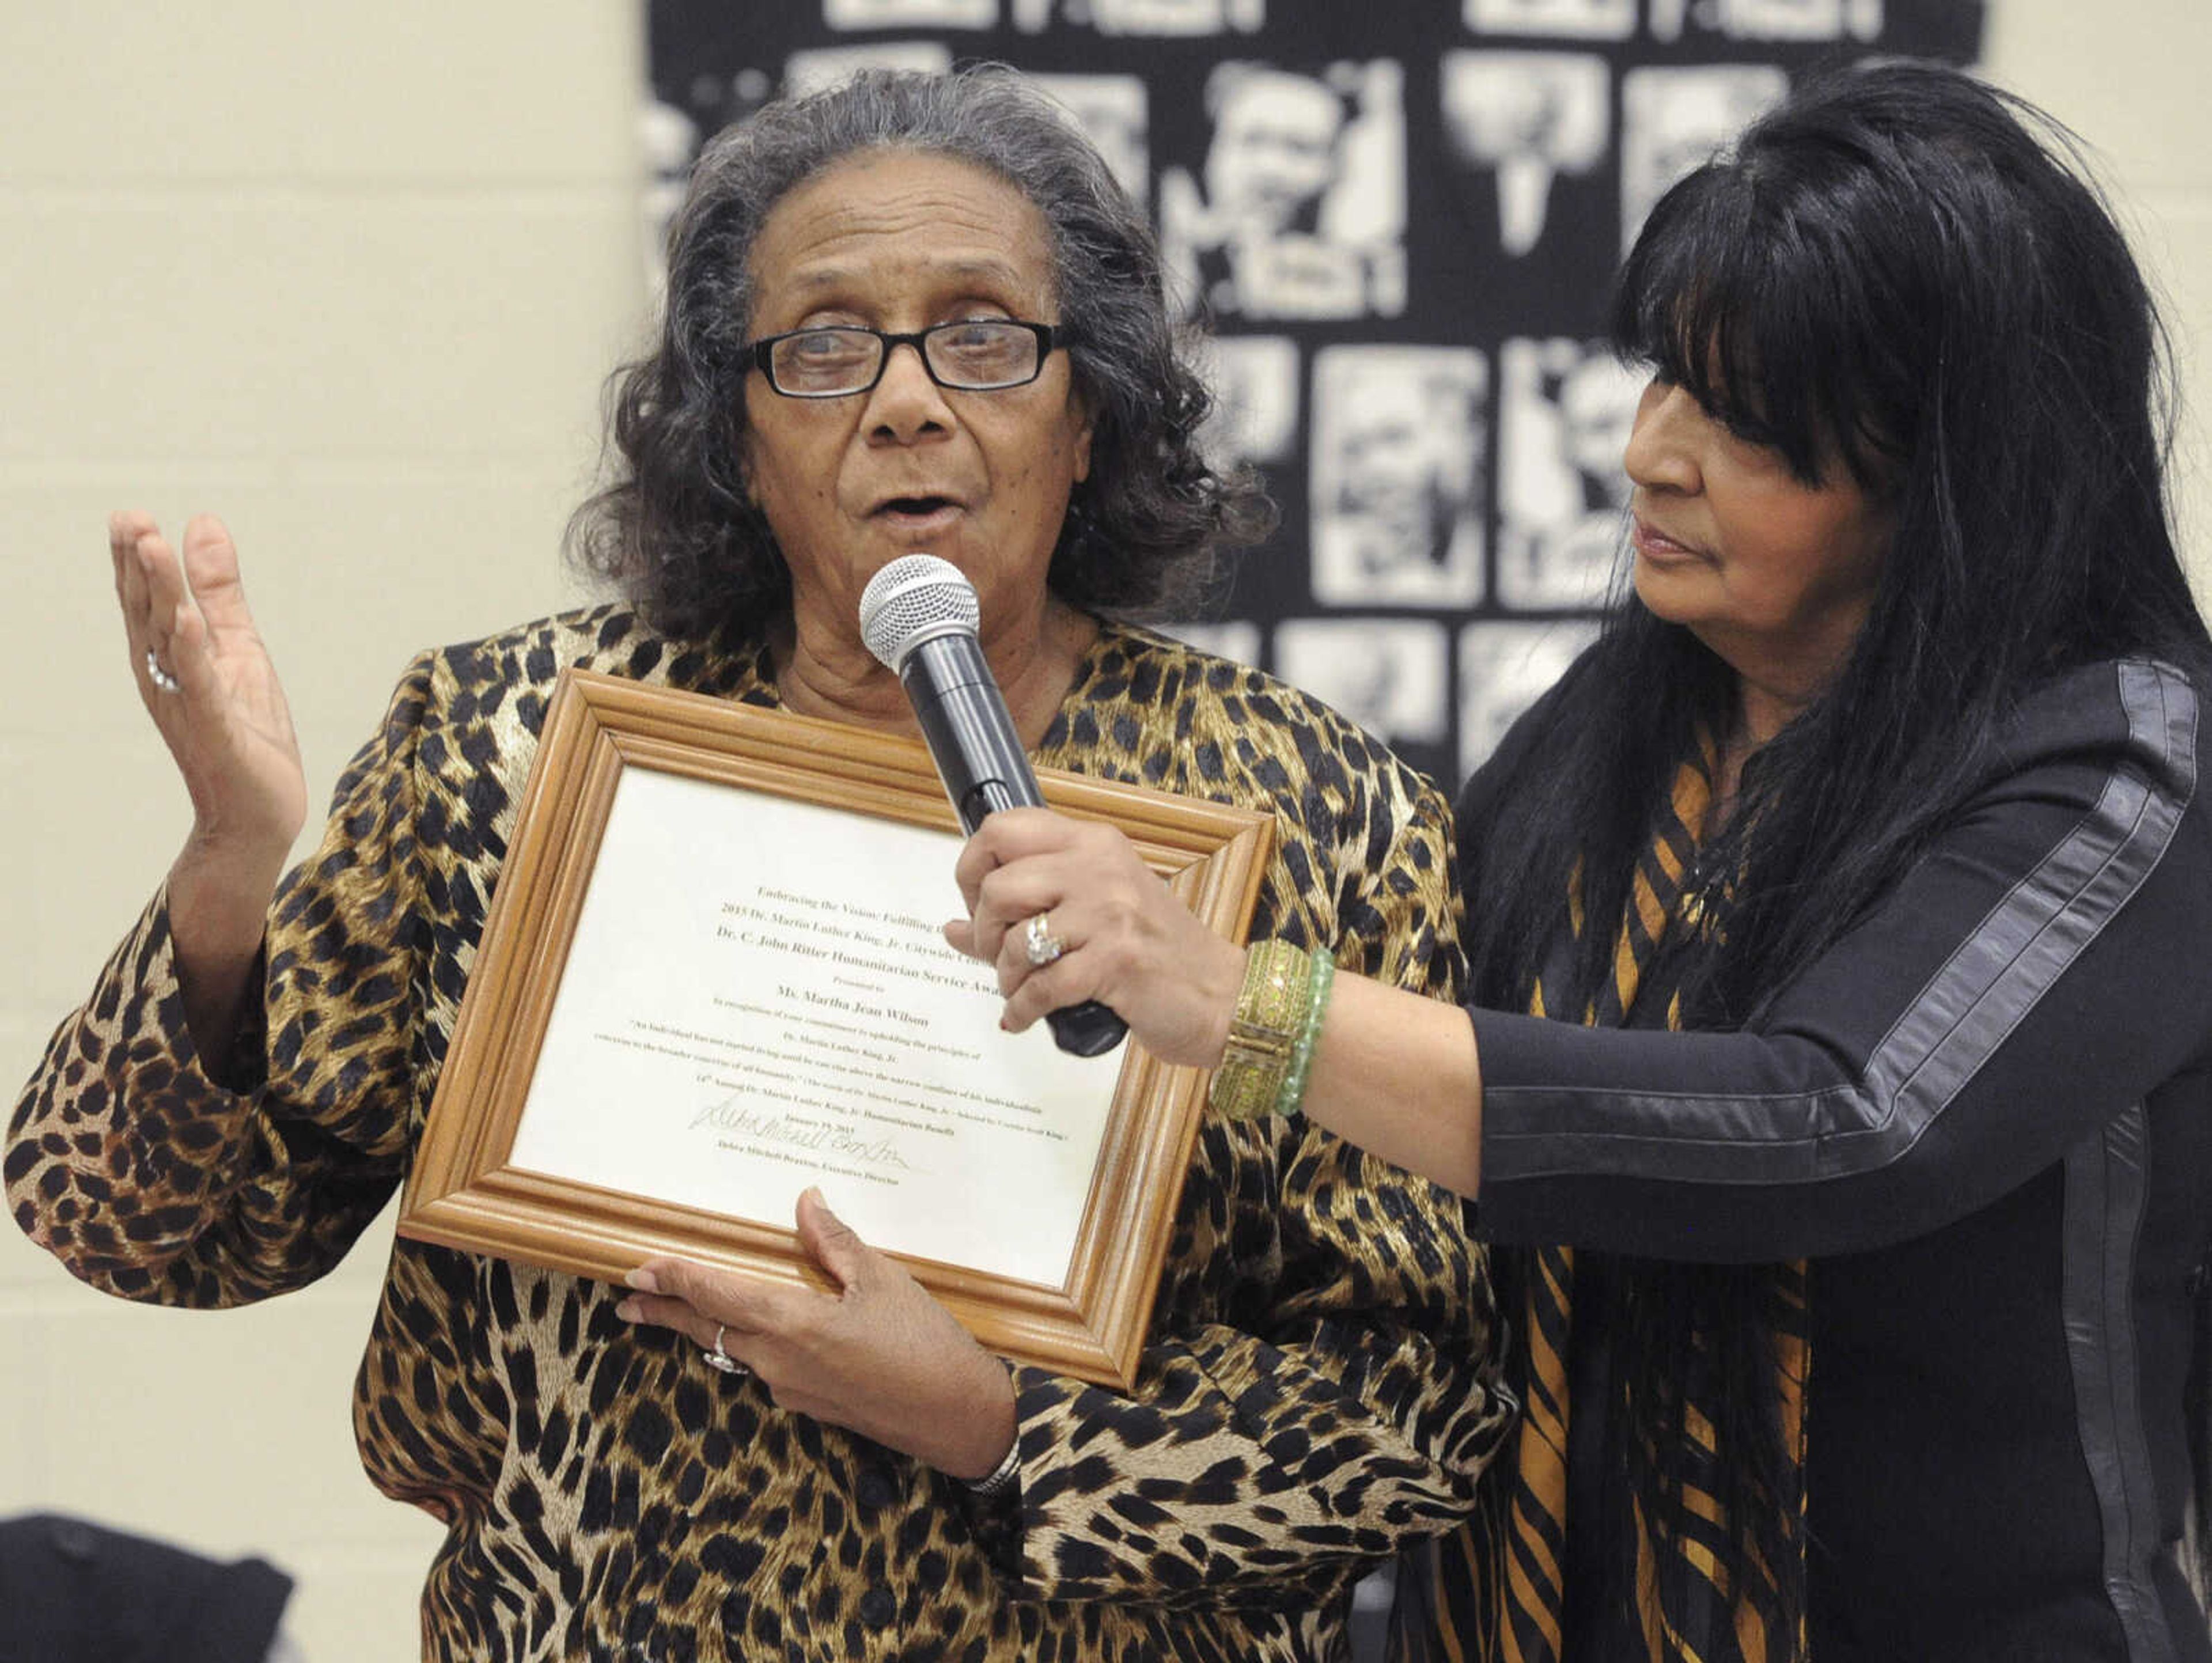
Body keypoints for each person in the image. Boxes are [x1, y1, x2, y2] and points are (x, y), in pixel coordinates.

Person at [4, 68, 1510, 1663]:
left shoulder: (1319, 814)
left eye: (986, 335)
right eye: (825, 348)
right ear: (740, 428)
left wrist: (997, 1426)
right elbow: (136, 1229)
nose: (908, 401)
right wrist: (231, 872)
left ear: (1091, 418)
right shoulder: (509, 751)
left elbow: (1415, 1417)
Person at [945, 59, 2212, 1662]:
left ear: (1953, 469)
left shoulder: (2121, 758)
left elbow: (1839, 1122)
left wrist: (1255, 1008)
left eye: (1746, 419)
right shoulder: (1611, 733)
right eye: (1665, 379)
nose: (1653, 455)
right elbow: (1414, 1150)